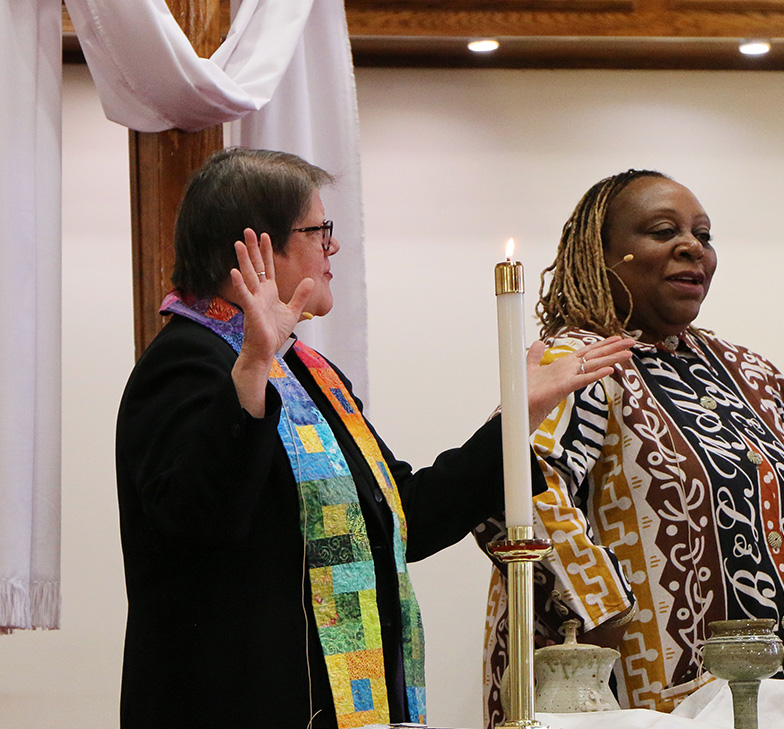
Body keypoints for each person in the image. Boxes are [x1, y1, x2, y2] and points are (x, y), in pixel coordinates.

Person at [114, 148, 633, 729]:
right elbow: (194, 529)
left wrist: (518, 414)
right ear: (257, 247)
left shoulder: (310, 373)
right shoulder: (186, 362)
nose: (332, 247)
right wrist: (252, 371)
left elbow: (402, 517)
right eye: (318, 230)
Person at [475, 170, 784, 724]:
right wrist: (602, 605)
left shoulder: (745, 370)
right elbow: (515, 486)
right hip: (634, 694)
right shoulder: (580, 364)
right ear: (603, 255)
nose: (692, 247)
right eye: (663, 231)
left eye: (703, 236)